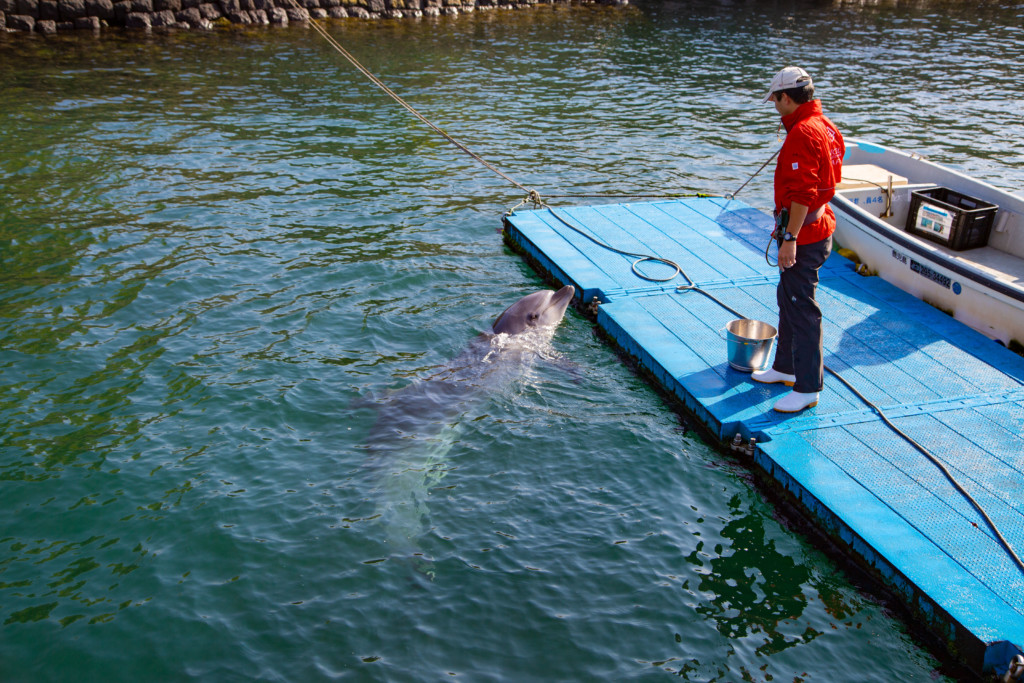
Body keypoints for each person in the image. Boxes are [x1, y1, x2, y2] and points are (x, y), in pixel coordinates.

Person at [753, 66, 845, 413]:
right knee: (788, 297)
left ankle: (808, 388)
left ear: (786, 98)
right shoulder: (825, 126)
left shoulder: (803, 133)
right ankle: (785, 368)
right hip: (817, 228)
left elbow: (804, 193)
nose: (774, 105)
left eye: (775, 99)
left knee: (802, 307)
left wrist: (789, 237)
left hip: (804, 235)